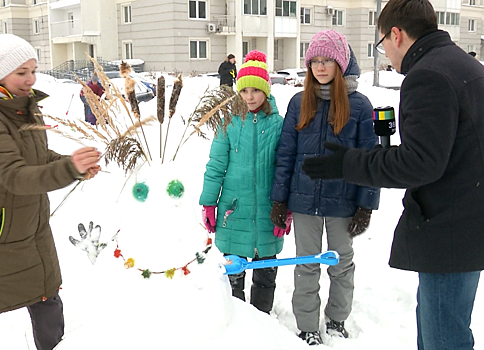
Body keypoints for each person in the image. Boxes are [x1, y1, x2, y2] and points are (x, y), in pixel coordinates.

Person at [302, 1, 484, 349]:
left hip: (449, 231)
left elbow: (422, 163)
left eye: (382, 41)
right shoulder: (464, 65)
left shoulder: (428, 75)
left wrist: (349, 164)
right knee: (447, 328)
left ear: (396, 35)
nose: (384, 50)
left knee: (443, 338)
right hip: (468, 224)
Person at [0, 34, 101, 350]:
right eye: (21, 72)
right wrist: (69, 169)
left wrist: (72, 163)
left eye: (32, 70)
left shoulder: (23, 107)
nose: (30, 79)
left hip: (29, 226)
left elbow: (37, 159)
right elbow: (15, 176)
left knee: (47, 300)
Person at [270, 30, 380, 346]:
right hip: (303, 201)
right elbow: (286, 153)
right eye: (314, 61)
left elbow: (369, 160)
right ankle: (307, 325)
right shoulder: (298, 102)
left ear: (340, 63)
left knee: (341, 263)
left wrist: (365, 205)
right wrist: (280, 199)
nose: (320, 67)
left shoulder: (360, 106)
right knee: (306, 263)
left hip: (343, 202)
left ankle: (336, 319)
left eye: (327, 60)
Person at [200, 50, 286, 314]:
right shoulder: (228, 123)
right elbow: (216, 166)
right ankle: (236, 322)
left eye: (256, 91)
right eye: (245, 90)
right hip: (233, 211)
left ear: (266, 91)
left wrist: (285, 207)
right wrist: (209, 203)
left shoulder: (279, 124)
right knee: (233, 278)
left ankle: (263, 322)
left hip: (267, 211)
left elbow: (285, 168)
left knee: (265, 274)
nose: (250, 97)